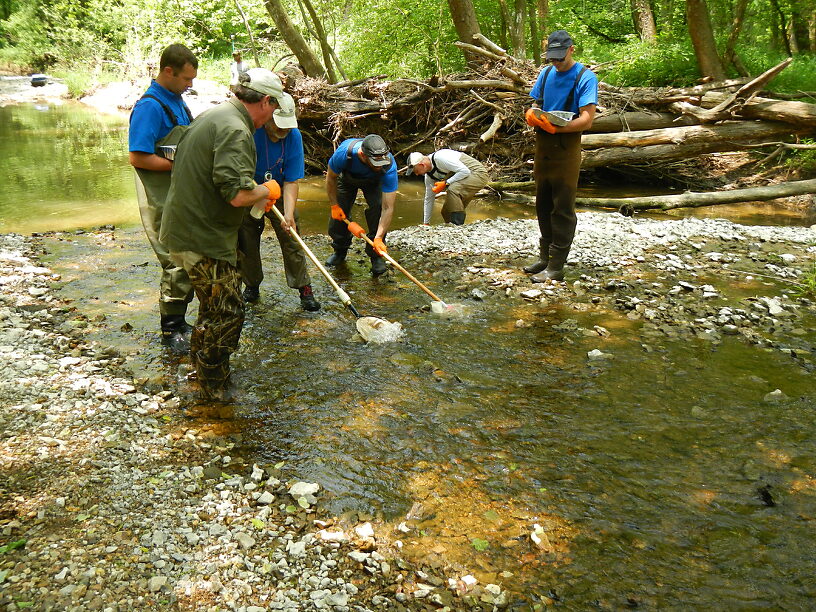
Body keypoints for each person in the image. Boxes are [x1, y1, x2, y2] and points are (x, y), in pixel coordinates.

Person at [159, 68, 289, 399]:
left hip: (185, 230)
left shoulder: (214, 115)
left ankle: (198, 376)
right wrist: (266, 188)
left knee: (211, 308)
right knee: (229, 311)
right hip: (201, 238)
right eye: (274, 109)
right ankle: (215, 387)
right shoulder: (235, 130)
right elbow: (237, 195)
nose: (273, 117)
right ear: (265, 101)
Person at [128, 43, 198, 353]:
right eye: (186, 79)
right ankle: (170, 330)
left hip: (179, 195)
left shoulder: (178, 101)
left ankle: (181, 322)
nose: (190, 85)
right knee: (174, 260)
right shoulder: (150, 107)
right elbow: (138, 157)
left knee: (188, 256)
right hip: (159, 197)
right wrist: (179, 164)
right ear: (167, 71)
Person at [523, 29, 597, 282]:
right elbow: (536, 103)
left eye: (559, 57)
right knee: (542, 203)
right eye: (551, 57)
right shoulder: (545, 74)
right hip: (543, 145)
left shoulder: (585, 78)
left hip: (567, 147)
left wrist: (559, 127)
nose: (555, 62)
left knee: (562, 207)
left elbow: (587, 120)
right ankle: (544, 258)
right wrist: (532, 114)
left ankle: (556, 266)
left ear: (571, 50)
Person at [237, 99, 321, 311]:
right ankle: (252, 284)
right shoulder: (250, 131)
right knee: (247, 239)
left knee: (292, 237)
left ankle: (304, 288)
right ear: (268, 117)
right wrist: (257, 195)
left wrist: (289, 215)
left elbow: (292, 180)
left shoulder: (293, 136)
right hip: (251, 188)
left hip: (280, 190)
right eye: (278, 124)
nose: (282, 129)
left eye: (287, 125)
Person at [325, 134, 398, 276]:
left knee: (377, 208)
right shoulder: (344, 154)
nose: (379, 166)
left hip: (374, 182)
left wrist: (378, 237)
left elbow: (388, 207)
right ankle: (340, 251)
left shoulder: (388, 165)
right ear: (362, 155)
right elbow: (330, 178)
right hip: (347, 179)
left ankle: (376, 255)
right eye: (375, 163)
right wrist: (334, 205)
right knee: (341, 213)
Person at [405, 150, 489, 225]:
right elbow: (429, 198)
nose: (416, 174)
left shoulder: (440, 158)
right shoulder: (429, 176)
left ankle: (457, 226)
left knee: (453, 189)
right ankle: (451, 228)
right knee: (447, 211)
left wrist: (446, 183)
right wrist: (426, 223)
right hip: (465, 177)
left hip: (478, 173)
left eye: (416, 171)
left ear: (422, 165)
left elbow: (465, 171)